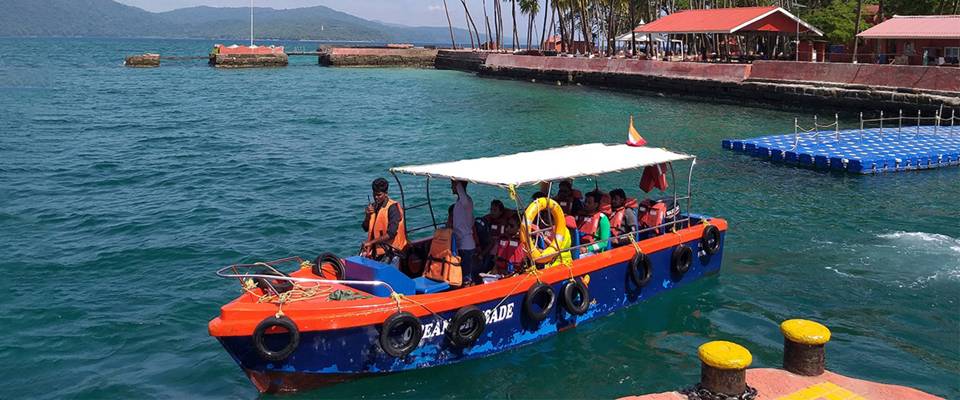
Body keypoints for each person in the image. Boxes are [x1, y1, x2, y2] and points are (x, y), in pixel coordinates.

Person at [361, 178, 408, 266]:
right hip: (377, 251)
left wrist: (371, 242)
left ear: (386, 194)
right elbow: (365, 228)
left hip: (392, 253)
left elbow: (391, 233)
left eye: (379, 195)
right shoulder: (373, 206)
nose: (376, 197)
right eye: (374, 194)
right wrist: (367, 216)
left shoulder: (393, 208)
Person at [450, 180, 479, 284]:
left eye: (452, 185)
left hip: (466, 246)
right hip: (460, 244)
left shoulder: (466, 201)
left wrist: (457, 182)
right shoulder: (460, 203)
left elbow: (461, 189)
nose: (451, 187)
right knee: (462, 275)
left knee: (467, 277)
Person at [577, 191, 610, 256]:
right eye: (585, 201)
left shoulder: (602, 219)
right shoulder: (580, 216)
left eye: (589, 203)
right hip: (577, 247)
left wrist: (587, 249)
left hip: (593, 252)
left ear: (596, 204)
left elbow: (604, 243)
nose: (586, 204)